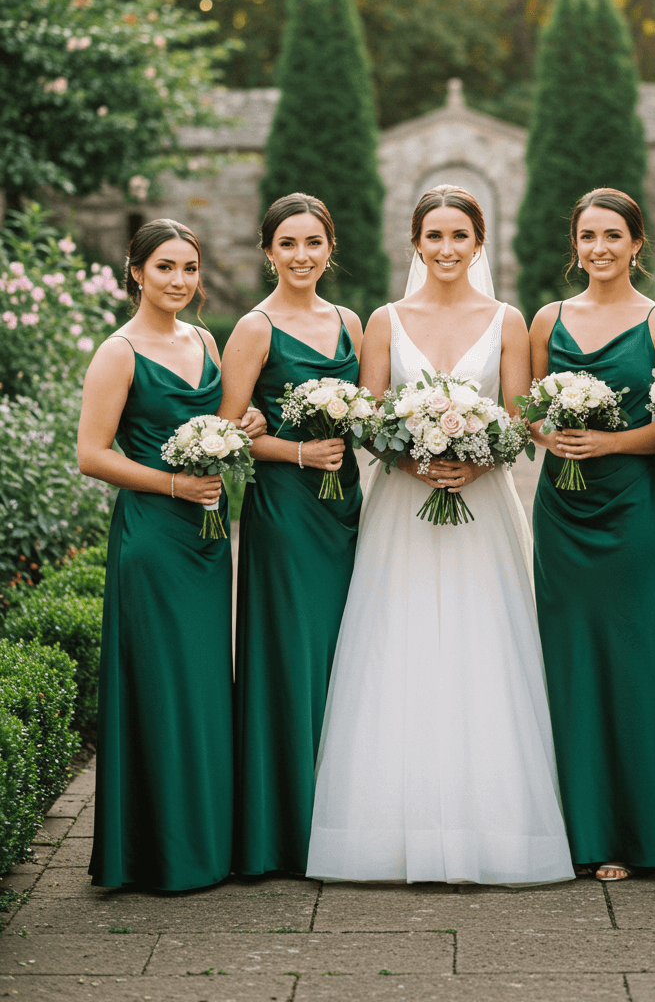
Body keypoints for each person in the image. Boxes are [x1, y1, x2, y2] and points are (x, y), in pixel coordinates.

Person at [306, 185, 574, 885]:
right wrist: (413, 459)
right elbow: (365, 419)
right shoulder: (385, 320)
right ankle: (386, 831)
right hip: (402, 508)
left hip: (482, 508)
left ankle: (492, 826)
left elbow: (518, 420)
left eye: (460, 236)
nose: (447, 248)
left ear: (479, 244)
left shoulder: (508, 319)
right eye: (435, 236)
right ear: (415, 246)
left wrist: (477, 455)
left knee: (483, 649)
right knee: (397, 648)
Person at [77, 219, 263, 890]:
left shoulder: (206, 340)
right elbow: (91, 454)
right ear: (136, 273)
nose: (178, 280)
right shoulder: (119, 352)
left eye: (188, 268)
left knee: (205, 686)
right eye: (164, 268)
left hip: (209, 539)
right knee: (162, 688)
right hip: (154, 536)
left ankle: (207, 845)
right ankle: (159, 856)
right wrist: (174, 483)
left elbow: (221, 418)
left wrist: (248, 427)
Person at [528, 188, 655, 881]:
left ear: (637, 244)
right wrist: (553, 433)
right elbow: (527, 408)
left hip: (629, 511)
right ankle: (577, 829)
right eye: (587, 236)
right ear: (576, 245)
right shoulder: (548, 318)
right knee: (565, 663)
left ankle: (635, 831)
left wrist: (612, 443)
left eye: (613, 236)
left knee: (631, 658)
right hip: (561, 513)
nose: (599, 248)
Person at [219, 193, 363, 878]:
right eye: (288, 245)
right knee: (289, 656)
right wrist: (295, 452)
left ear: (330, 248)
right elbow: (225, 435)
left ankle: (342, 815)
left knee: (346, 654)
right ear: (268, 251)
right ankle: (282, 828)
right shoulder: (254, 328)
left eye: (313, 243)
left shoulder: (350, 323)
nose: (302, 256)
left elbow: (369, 414)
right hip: (284, 511)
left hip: (344, 510)